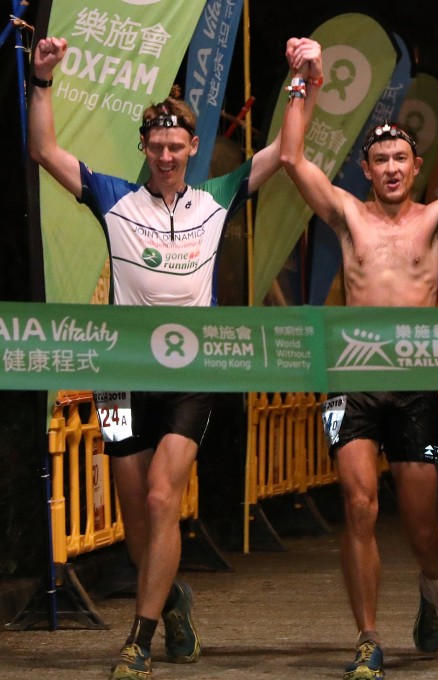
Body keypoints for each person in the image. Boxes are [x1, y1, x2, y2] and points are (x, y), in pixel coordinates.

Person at [28, 35, 323, 680]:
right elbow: (44, 150)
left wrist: (302, 81)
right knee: (135, 519)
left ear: (192, 149)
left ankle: (138, 638)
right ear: (146, 149)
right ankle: (174, 598)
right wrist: (42, 80)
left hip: (193, 372)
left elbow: (285, 153)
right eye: (156, 146)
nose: (165, 155)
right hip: (117, 379)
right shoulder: (114, 199)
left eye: (176, 146)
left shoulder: (215, 198)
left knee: (164, 498)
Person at [280, 59, 438, 680]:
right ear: (366, 171)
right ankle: (367, 637)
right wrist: (300, 83)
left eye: (401, 159)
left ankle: (433, 582)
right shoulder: (346, 216)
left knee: (423, 530)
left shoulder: (437, 219)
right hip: (351, 384)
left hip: (416, 388)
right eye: (381, 160)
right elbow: (291, 161)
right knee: (359, 506)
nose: (392, 168)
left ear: (415, 169)